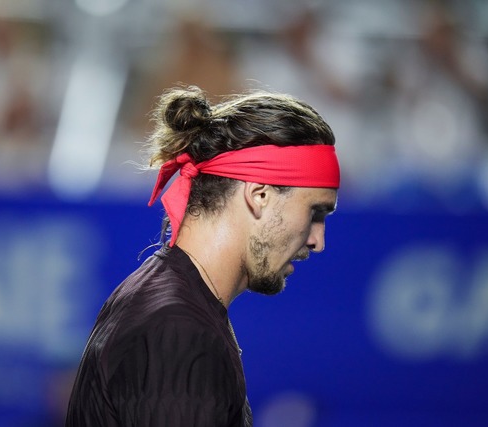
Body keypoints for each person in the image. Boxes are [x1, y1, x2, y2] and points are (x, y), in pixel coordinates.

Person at [65, 85, 340, 427]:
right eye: (315, 212)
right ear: (260, 195)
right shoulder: (179, 331)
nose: (318, 240)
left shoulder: (167, 302)